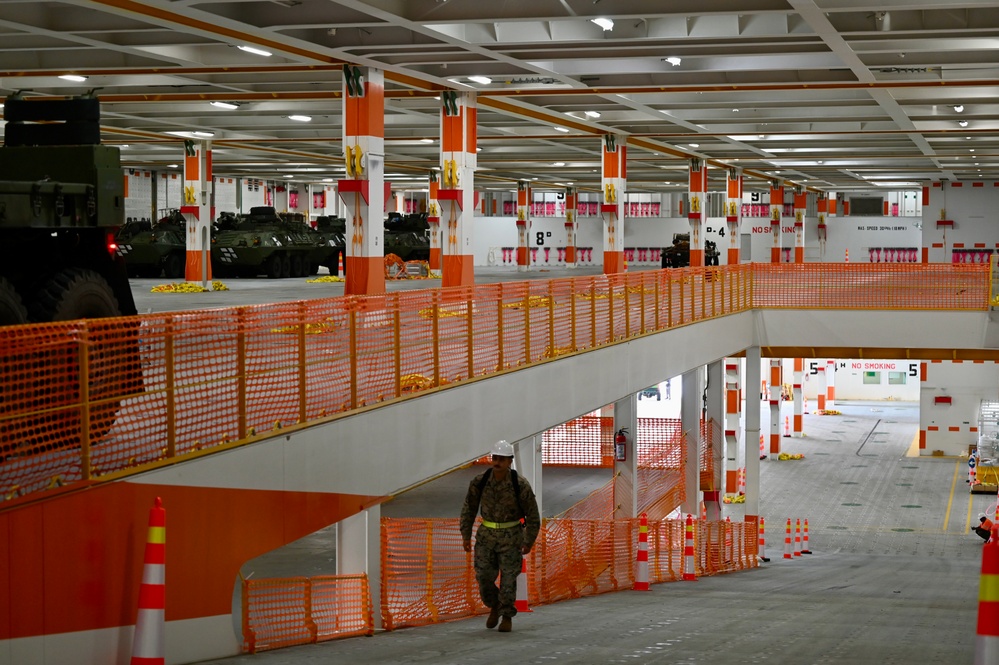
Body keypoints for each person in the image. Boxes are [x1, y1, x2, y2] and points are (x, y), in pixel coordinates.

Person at [460, 439, 541, 633]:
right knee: (483, 577)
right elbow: (469, 508)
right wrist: (465, 534)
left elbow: (533, 514)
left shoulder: (519, 484)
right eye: (495, 458)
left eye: (502, 459)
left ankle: (506, 616)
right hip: (486, 537)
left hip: (512, 537)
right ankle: (494, 605)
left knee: (508, 580)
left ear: (509, 461)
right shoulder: (480, 481)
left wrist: (529, 540)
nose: (497, 462)